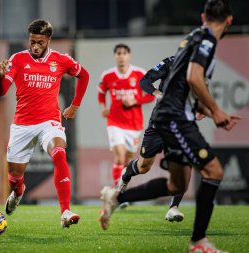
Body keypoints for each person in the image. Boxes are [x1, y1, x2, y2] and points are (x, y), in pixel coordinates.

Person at [100, 1, 239, 252]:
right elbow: (193, 78)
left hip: (175, 116)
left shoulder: (192, 37)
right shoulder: (206, 41)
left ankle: (117, 197)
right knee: (213, 171)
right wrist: (216, 110)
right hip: (173, 118)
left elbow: (184, 87)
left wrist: (206, 110)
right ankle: (198, 241)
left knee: (177, 184)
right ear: (229, 20)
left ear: (202, 16)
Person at [0, 19, 89, 228]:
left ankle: (65, 211)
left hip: (49, 121)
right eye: (32, 42)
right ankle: (18, 191)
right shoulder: (17, 59)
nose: (35, 46)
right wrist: (0, 78)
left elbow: (84, 75)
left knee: (59, 152)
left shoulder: (61, 60)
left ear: (48, 40)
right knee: (14, 177)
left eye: (40, 42)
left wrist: (74, 105)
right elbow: (1, 92)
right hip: (22, 125)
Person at [115, 56, 190, 222]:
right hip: (159, 124)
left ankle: (173, 208)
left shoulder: (201, 69)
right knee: (143, 167)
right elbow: (145, 80)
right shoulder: (171, 62)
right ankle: (125, 175)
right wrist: (156, 92)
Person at [97, 44, 154, 186]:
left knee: (127, 160)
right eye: (118, 53)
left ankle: (122, 188)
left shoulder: (139, 74)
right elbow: (101, 93)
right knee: (119, 157)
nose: (121, 56)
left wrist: (135, 100)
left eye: (124, 53)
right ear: (115, 56)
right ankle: (117, 194)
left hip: (134, 124)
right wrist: (103, 107)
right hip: (115, 122)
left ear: (129, 55)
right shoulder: (108, 75)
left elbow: (151, 96)